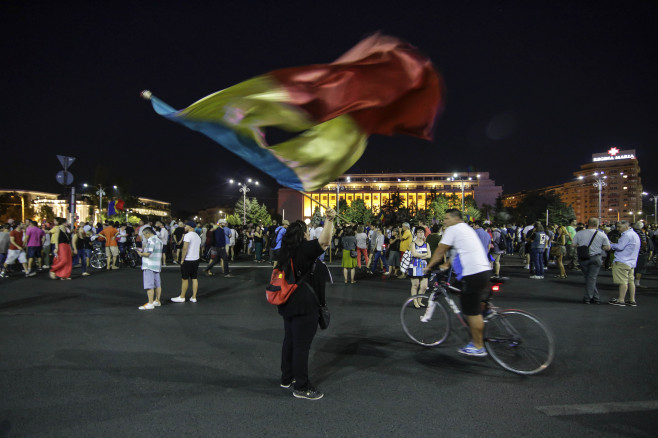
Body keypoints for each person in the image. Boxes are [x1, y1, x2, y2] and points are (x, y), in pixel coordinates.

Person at [277, 208, 335, 400]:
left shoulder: (286, 251)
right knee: (302, 346)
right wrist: (329, 220)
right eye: (307, 231)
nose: (309, 234)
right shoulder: (304, 249)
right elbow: (325, 242)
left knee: (290, 341)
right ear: (303, 234)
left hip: (288, 302)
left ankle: (287, 377)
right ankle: (302, 386)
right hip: (305, 305)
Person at [424, 209, 492, 357]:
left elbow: (441, 250)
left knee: (471, 312)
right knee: (460, 292)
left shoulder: (453, 229)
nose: (444, 221)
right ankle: (485, 310)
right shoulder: (467, 229)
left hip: (472, 273)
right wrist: (447, 264)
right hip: (484, 270)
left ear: (456, 218)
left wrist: (428, 267)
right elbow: (460, 251)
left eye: (447, 218)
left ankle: (478, 346)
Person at [571, 217, 611, 304]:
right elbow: (607, 248)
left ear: (587, 223)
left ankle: (588, 298)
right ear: (597, 225)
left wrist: (581, 245)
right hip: (596, 257)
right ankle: (594, 298)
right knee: (591, 278)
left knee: (588, 278)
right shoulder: (602, 234)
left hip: (583, 258)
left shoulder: (579, 233)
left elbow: (573, 245)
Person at [607, 220, 641, 307]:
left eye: (619, 227)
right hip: (631, 261)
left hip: (622, 261)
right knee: (631, 281)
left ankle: (621, 300)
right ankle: (632, 300)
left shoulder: (626, 235)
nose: (618, 229)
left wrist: (611, 245)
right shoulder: (635, 235)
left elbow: (620, 247)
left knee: (623, 281)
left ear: (626, 227)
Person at [172, 221, 202, 303]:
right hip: (196, 259)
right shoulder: (197, 236)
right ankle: (194, 297)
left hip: (188, 259)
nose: (185, 227)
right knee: (194, 278)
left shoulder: (188, 235)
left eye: (186, 226)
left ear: (191, 227)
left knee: (184, 278)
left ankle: (182, 297)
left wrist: (182, 259)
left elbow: (185, 248)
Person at [136, 227, 164, 310]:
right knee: (157, 284)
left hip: (149, 265)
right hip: (157, 265)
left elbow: (148, 253)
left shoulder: (151, 241)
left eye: (144, 235)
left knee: (149, 285)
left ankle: (150, 303)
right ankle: (157, 301)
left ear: (148, 233)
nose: (144, 237)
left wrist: (140, 253)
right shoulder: (159, 240)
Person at [408, 227, 431, 308]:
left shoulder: (426, 244)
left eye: (422, 232)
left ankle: (419, 301)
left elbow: (430, 255)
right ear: (416, 233)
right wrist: (424, 255)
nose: (421, 233)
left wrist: (421, 256)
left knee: (424, 286)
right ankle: (415, 302)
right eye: (419, 232)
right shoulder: (413, 243)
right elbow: (414, 254)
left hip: (424, 265)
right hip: (414, 264)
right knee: (415, 285)